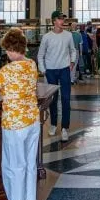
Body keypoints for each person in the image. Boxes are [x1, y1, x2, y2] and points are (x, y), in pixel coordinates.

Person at [0, 28, 40, 200]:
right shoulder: (32, 65)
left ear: (11, 48)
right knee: (30, 164)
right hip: (33, 120)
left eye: (7, 50)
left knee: (14, 166)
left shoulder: (6, 70)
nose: (6, 54)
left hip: (14, 124)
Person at [37, 11, 78, 141]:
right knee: (53, 99)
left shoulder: (68, 35)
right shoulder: (47, 37)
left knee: (66, 98)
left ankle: (65, 127)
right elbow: (40, 55)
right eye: (60, 19)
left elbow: (73, 50)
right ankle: (53, 124)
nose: (62, 22)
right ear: (54, 21)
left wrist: (72, 62)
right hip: (50, 71)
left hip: (64, 70)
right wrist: (43, 70)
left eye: (63, 19)